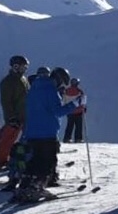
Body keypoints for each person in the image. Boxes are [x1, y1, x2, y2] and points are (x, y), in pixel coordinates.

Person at [13, 67, 79, 202]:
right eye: (62, 83)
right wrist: (76, 104)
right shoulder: (50, 90)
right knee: (47, 162)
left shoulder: (33, 88)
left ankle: (24, 186)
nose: (61, 86)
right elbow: (58, 111)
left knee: (34, 161)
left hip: (32, 133)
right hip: (47, 133)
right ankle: (38, 187)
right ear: (59, 79)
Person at [0, 55, 30, 169]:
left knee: (25, 139)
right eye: (23, 66)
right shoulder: (8, 82)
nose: (25, 69)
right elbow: (6, 101)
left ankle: (21, 159)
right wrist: (11, 117)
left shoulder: (23, 79)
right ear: (15, 66)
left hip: (24, 114)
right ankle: (1, 161)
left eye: (25, 67)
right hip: (14, 116)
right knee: (8, 139)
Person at [63, 77, 87, 142]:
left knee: (69, 126)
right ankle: (78, 138)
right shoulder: (80, 91)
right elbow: (83, 101)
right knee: (78, 126)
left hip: (69, 111)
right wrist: (84, 108)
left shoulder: (66, 91)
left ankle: (67, 138)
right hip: (78, 111)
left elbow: (64, 100)